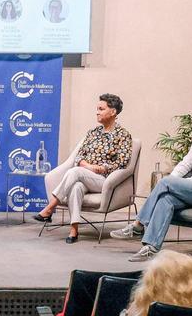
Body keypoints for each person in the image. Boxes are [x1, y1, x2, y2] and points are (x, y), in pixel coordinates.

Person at [111, 101, 192, 261]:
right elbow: (185, 164)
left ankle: (138, 225)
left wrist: (173, 184)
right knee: (166, 199)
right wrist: (174, 182)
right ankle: (151, 247)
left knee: (166, 183)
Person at [34, 94, 132, 243]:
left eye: (101, 109)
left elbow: (122, 162)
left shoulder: (123, 135)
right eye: (97, 109)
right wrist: (88, 166)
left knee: (75, 172)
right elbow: (79, 157)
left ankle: (50, 208)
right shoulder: (93, 133)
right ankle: (74, 230)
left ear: (113, 112)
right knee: (76, 186)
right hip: (85, 174)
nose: (97, 112)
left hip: (105, 180)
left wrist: (100, 168)